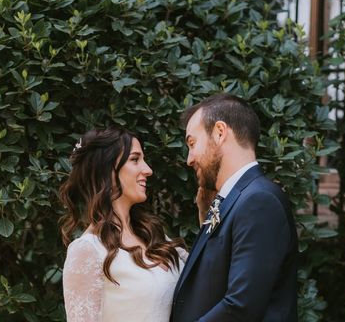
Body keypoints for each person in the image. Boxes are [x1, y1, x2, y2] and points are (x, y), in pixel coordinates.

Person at [171, 93, 298, 322]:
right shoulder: (235, 198)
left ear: (220, 133)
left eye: (192, 143)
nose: (189, 159)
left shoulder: (259, 201)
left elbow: (241, 307)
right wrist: (205, 218)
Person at [60, 127, 186, 322]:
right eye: (135, 160)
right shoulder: (87, 250)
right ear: (106, 169)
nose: (148, 170)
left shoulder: (154, 236)